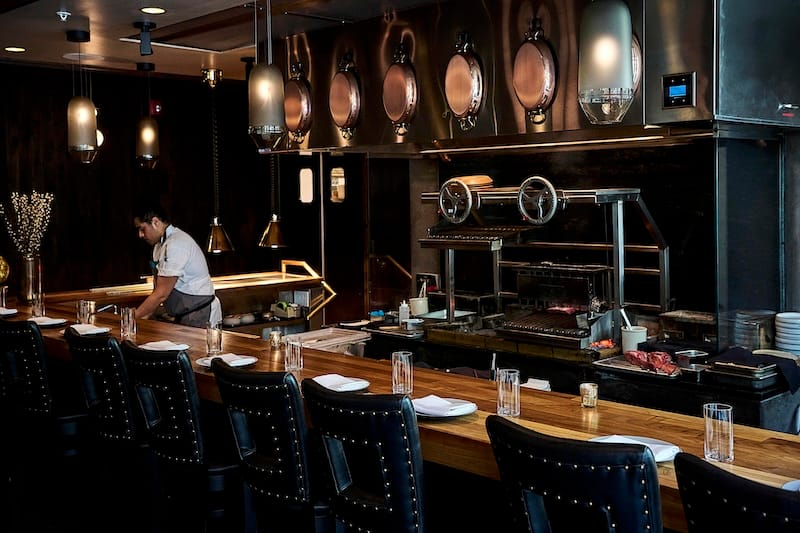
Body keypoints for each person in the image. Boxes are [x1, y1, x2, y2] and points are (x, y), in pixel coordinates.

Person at [133, 206, 221, 328]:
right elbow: (158, 290)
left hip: (201, 312)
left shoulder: (176, 243)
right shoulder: (158, 247)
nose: (140, 235)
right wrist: (144, 315)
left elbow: (161, 294)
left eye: (142, 229)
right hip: (185, 313)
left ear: (155, 222)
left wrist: (133, 317)